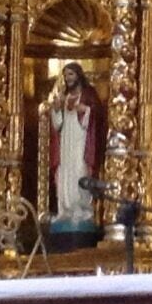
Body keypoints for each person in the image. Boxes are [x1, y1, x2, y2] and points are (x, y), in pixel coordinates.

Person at [41, 61, 106, 236]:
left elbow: (98, 115)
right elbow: (58, 124)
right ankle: (65, 210)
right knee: (65, 173)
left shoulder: (88, 94)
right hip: (66, 142)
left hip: (82, 141)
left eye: (71, 74)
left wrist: (85, 110)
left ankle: (82, 210)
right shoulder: (64, 97)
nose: (68, 78)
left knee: (79, 171)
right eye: (65, 75)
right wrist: (56, 110)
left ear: (78, 75)